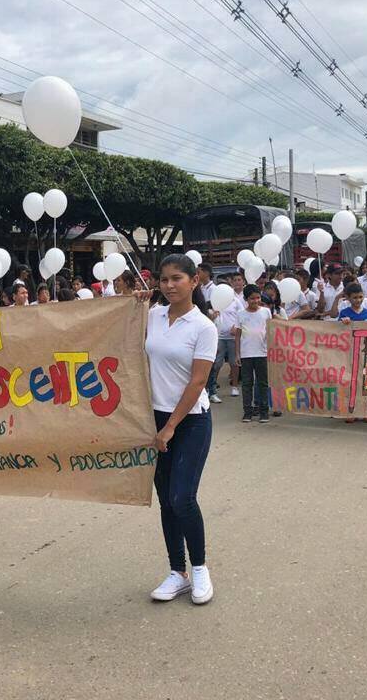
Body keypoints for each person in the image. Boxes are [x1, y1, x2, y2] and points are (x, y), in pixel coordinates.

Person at [143, 254, 216, 605]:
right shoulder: (153, 317)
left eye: (177, 279)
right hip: (154, 419)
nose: (170, 285)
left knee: (182, 497)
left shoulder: (203, 327)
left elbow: (197, 382)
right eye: (164, 279)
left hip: (190, 422)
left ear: (194, 281)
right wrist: (134, 303)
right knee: (166, 502)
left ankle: (200, 568)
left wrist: (170, 427)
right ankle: (177, 573)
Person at [233, 284, 271, 423]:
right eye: (252, 298)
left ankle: (264, 411)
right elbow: (237, 335)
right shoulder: (240, 314)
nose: (255, 301)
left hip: (262, 352)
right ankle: (247, 412)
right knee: (247, 383)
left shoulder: (266, 312)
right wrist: (237, 354)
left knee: (262, 383)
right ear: (246, 299)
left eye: (258, 297)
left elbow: (270, 330)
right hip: (246, 353)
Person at [209, 271, 245, 399]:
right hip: (218, 336)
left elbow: (242, 315)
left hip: (232, 337)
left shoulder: (236, 301)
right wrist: (212, 315)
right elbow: (209, 315)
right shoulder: (214, 300)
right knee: (216, 363)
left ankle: (234, 387)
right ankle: (212, 388)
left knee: (234, 363)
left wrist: (236, 327)